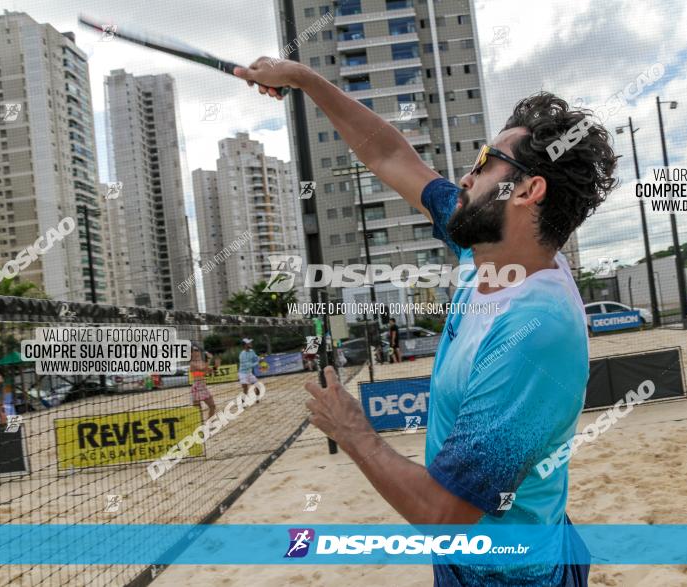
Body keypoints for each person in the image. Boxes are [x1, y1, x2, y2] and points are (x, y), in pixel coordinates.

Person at [236, 59, 616, 584]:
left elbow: (444, 515)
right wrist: (302, 80)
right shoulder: (484, 246)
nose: (467, 173)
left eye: (486, 161)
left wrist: (352, 431)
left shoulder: (535, 330)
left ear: (528, 191)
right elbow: (390, 152)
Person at [189, 347, 216, 419]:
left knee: (212, 406)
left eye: (197, 350)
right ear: (191, 353)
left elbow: (208, 370)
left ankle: (208, 423)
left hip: (203, 387)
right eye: (195, 350)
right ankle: (200, 426)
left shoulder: (201, 362)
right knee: (198, 410)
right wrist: (209, 359)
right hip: (197, 388)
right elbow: (202, 369)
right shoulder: (192, 363)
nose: (197, 352)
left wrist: (215, 367)